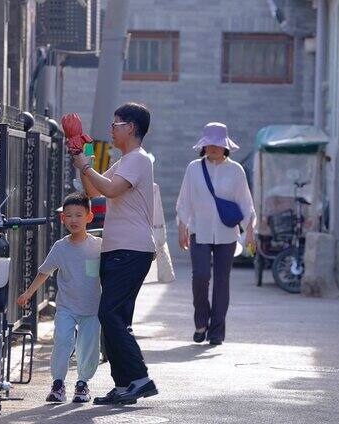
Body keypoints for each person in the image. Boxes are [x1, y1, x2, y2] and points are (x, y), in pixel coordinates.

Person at [72, 103, 158, 405]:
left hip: (130, 249)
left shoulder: (138, 160)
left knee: (109, 314)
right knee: (115, 318)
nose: (111, 129)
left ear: (131, 128)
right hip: (118, 249)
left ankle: (139, 378)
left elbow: (110, 190)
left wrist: (85, 165)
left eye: (116, 123)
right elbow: (93, 190)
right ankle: (124, 385)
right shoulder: (124, 161)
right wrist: (78, 155)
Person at [17, 193, 102, 404]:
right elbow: (44, 272)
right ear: (63, 219)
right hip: (66, 307)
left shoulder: (98, 245)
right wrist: (29, 292)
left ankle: (82, 383)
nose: (74, 220)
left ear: (89, 217)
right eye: (69, 216)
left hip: (92, 307)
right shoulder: (60, 247)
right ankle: (57, 383)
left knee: (88, 347)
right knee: (63, 341)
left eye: (79, 215)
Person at [176, 122, 255, 346]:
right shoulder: (193, 168)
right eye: (209, 144)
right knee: (200, 277)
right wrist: (182, 226)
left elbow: (245, 203)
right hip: (198, 230)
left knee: (222, 282)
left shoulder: (236, 170)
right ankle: (201, 322)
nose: (213, 148)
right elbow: (184, 199)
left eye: (218, 144)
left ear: (226, 146)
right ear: (203, 145)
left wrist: (250, 231)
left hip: (227, 234)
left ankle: (217, 331)